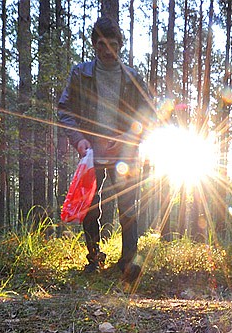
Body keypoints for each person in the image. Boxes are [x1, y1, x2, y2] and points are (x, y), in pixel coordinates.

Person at [57, 16, 155, 282]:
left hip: (125, 155)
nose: (107, 49)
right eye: (101, 44)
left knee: (127, 207)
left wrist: (127, 137)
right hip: (91, 156)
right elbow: (65, 110)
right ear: (94, 46)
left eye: (112, 43)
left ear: (120, 45)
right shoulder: (81, 74)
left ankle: (128, 263)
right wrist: (79, 140)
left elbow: (150, 114)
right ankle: (94, 258)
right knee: (89, 206)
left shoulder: (132, 77)